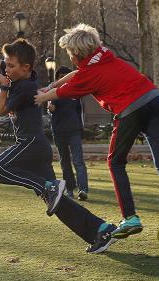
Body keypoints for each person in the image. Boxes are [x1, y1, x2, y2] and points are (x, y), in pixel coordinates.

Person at [0, 39, 118, 254]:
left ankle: (47, 186)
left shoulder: (25, 87)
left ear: (25, 68)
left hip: (30, 144)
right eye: (6, 65)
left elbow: (0, 110)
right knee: (57, 203)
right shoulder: (18, 74)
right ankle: (100, 229)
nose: (5, 68)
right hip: (37, 148)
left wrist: (4, 87)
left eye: (10, 66)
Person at [34, 24, 159, 244]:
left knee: (115, 162)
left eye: (70, 53)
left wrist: (42, 97)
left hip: (130, 109)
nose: (70, 57)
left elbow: (66, 91)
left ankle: (130, 218)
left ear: (75, 53)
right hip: (155, 99)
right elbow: (75, 75)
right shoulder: (103, 55)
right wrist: (51, 86)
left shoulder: (89, 75)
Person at [47, 66, 89, 201]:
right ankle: (69, 189)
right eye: (61, 77)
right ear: (58, 79)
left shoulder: (76, 93)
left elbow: (79, 112)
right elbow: (51, 108)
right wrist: (50, 108)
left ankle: (83, 190)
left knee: (78, 161)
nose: (64, 79)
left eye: (67, 75)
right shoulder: (54, 92)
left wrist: (81, 129)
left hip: (74, 131)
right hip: (59, 131)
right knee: (65, 162)